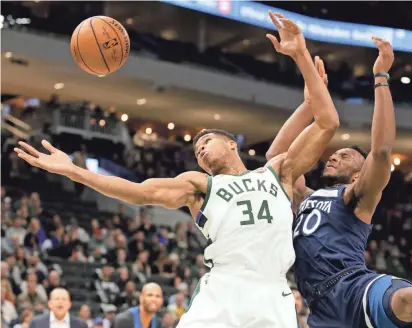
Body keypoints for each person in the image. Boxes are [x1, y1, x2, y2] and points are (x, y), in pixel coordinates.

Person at [14, 11, 339, 328]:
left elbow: (327, 121)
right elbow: (140, 193)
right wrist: (74, 171)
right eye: (196, 150)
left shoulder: (277, 172)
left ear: (231, 145)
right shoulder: (198, 185)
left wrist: (300, 56)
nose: (199, 149)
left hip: (273, 292)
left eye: (207, 140)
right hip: (223, 289)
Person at [266, 16, 412, 328]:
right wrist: (309, 105)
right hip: (321, 307)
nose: (334, 156)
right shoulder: (304, 196)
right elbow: (276, 156)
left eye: (345, 156)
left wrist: (381, 76)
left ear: (359, 175)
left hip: (356, 286)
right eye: (335, 153)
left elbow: (382, 150)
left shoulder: (355, 197)